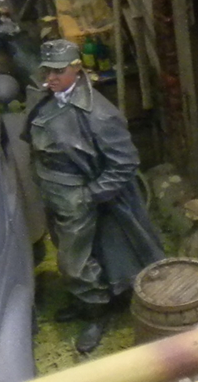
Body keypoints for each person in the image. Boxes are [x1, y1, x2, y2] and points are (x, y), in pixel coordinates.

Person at [23, 38, 164, 354]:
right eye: (47, 70)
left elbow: (124, 162)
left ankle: (96, 314)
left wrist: (90, 195)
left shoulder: (99, 114)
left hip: (78, 194)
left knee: (74, 262)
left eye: (59, 71)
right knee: (68, 248)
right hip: (53, 191)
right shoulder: (46, 99)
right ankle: (84, 300)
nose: (51, 77)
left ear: (76, 69)